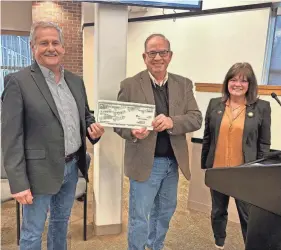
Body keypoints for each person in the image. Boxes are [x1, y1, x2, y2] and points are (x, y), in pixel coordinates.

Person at [1, 21, 104, 250]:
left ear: (63, 47)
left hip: (71, 168)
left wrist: (93, 129)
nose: (51, 48)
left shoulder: (76, 82)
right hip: (37, 173)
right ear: (32, 47)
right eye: (43, 43)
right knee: (32, 232)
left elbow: (85, 116)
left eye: (55, 42)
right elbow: (11, 137)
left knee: (61, 224)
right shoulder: (18, 82)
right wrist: (18, 182)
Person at [114, 34, 202, 250]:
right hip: (145, 163)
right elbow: (118, 123)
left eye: (162, 52)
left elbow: (196, 118)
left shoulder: (183, 84)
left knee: (164, 213)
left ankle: (156, 246)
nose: (157, 57)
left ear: (170, 56)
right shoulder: (130, 85)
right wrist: (133, 132)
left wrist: (172, 121)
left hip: (172, 163)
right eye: (152, 53)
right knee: (139, 218)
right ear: (144, 57)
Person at [201, 62, 271, 249]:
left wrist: (261, 171)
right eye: (233, 79)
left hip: (245, 173)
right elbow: (208, 136)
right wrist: (205, 165)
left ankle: (251, 245)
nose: (237, 84)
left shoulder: (262, 107)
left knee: (248, 215)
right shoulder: (215, 104)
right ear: (227, 82)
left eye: (243, 80)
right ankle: (219, 244)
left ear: (250, 84)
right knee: (217, 212)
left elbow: (264, 143)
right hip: (218, 169)